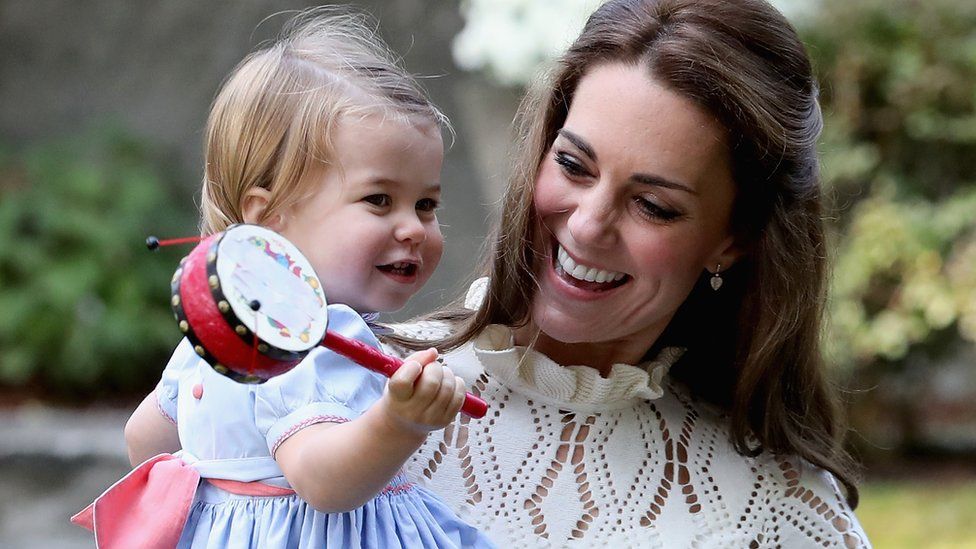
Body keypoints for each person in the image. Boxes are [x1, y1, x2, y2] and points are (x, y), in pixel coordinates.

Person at [392, 0, 871, 546]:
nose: (589, 226)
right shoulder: (345, 392)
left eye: (654, 205)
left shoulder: (773, 508)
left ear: (735, 241)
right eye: (573, 165)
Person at [72, 8, 492, 549]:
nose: (413, 228)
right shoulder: (321, 334)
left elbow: (146, 441)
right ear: (270, 219)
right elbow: (323, 482)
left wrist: (223, 502)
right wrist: (397, 422)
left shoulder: (224, 330)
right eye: (379, 200)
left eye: (427, 204)